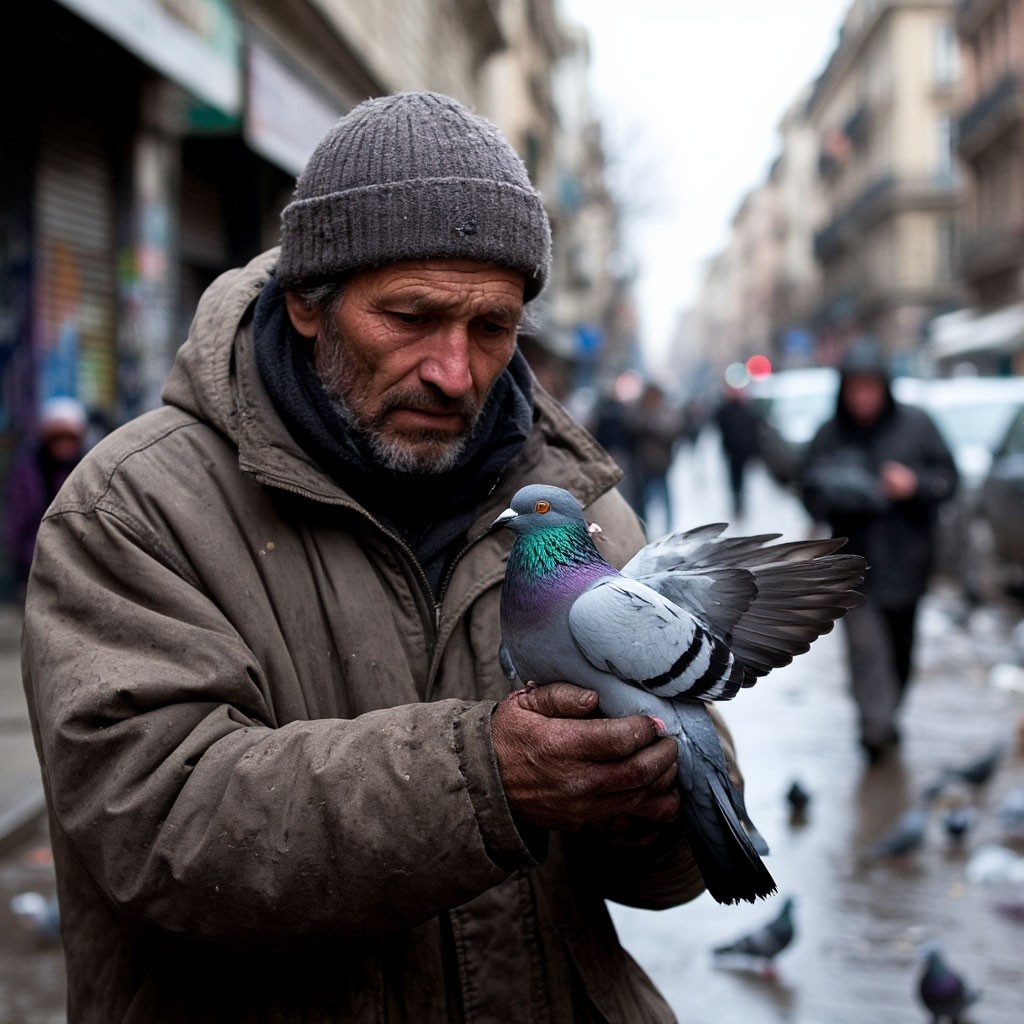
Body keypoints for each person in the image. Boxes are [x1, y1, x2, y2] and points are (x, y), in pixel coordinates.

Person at [21, 91, 744, 1023]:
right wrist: (486, 778)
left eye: (493, 328)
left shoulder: (574, 503)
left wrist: (654, 808)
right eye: (410, 316)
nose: (455, 370)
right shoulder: (135, 507)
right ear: (308, 305)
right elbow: (156, 827)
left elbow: (674, 869)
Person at [800, 339, 958, 763]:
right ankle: (875, 728)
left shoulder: (918, 426)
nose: (863, 398)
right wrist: (839, 492)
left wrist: (914, 486)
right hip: (855, 568)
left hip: (908, 563)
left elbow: (949, 478)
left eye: (871, 388)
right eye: (855, 389)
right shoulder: (829, 434)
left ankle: (888, 714)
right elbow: (808, 490)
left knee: (901, 649)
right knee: (866, 650)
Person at [5, 395, 86, 599]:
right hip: (33, 566)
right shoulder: (29, 470)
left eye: (70, 438)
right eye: (57, 437)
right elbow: (17, 520)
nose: (63, 445)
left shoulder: (86, 469)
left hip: (78, 569)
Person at [622, 381, 685, 532]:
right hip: (642, 466)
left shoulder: (666, 411)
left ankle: (668, 530)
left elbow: (672, 430)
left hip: (661, 465)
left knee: (665, 500)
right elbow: (630, 427)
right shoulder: (638, 411)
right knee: (643, 502)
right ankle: (644, 529)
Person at [713, 385, 762, 518]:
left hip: (742, 450)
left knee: (740, 479)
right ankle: (737, 502)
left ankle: (740, 502)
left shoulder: (746, 410)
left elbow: (755, 429)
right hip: (733, 450)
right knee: (735, 479)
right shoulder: (728, 410)